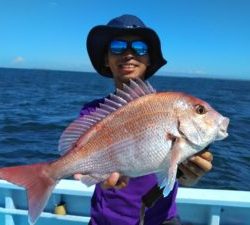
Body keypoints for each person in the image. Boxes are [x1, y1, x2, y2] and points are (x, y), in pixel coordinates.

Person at [74, 14, 213, 225]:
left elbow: (178, 170)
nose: (129, 54)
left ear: (149, 60)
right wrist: (88, 173)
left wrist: (190, 175)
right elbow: (81, 164)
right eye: (118, 46)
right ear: (106, 59)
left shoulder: (173, 111)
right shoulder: (92, 112)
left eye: (139, 48)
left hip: (161, 220)